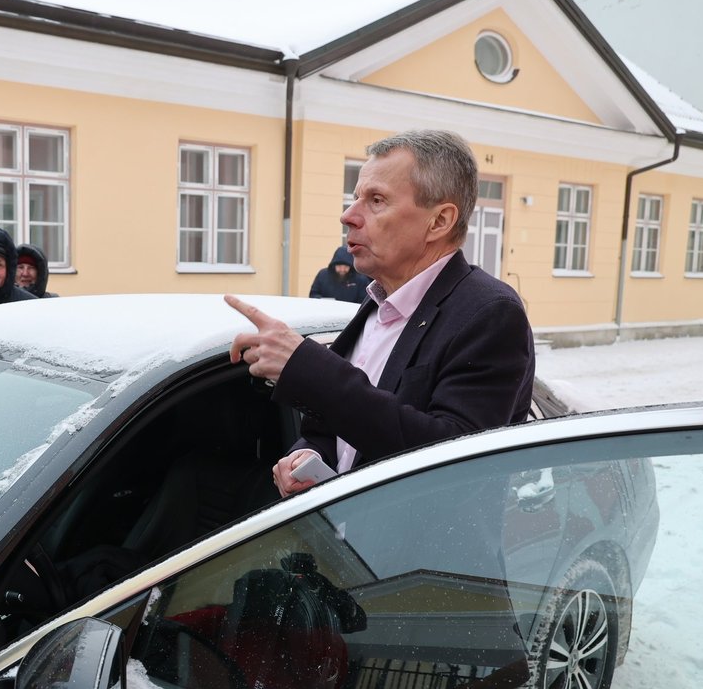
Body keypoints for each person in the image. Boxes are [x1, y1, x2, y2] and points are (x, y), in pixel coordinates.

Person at [228, 129, 534, 498]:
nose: (348, 216)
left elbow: (451, 462)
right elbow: (338, 428)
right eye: (355, 198)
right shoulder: (378, 301)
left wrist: (307, 366)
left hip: (416, 555)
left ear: (439, 222)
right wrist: (308, 454)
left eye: (376, 200)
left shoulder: (489, 313)